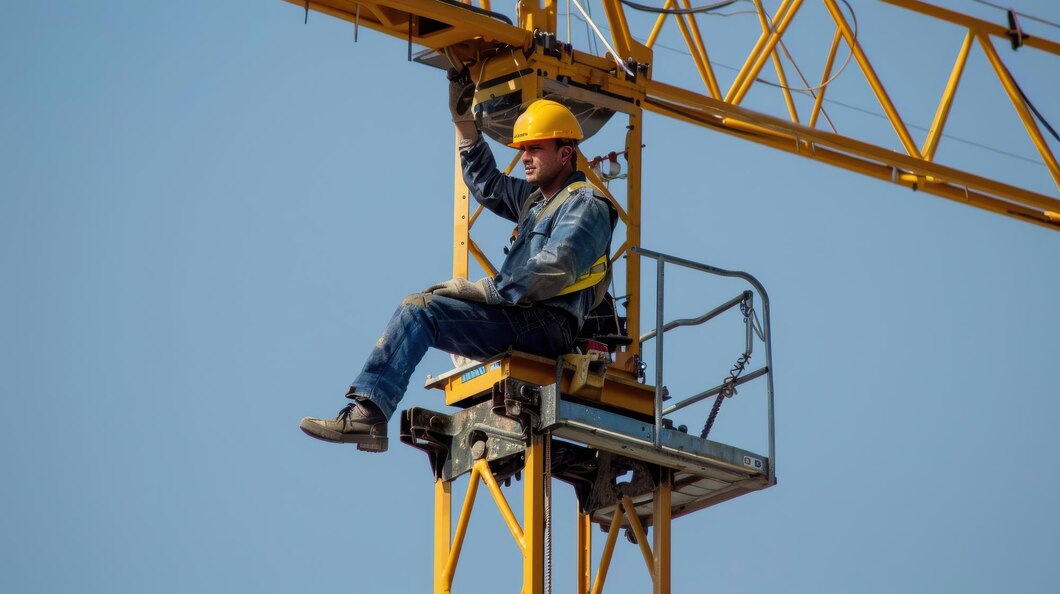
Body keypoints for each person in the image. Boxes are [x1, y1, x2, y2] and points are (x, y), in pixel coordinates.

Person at [299, 75, 615, 452]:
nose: (525, 157)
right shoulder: (537, 200)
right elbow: (488, 184)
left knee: (421, 312)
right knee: (420, 308)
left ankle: (369, 417)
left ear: (566, 153)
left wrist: (488, 290)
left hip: (546, 323)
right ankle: (369, 415)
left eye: (534, 149)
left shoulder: (586, 204)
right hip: (523, 317)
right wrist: (464, 123)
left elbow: (557, 265)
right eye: (523, 148)